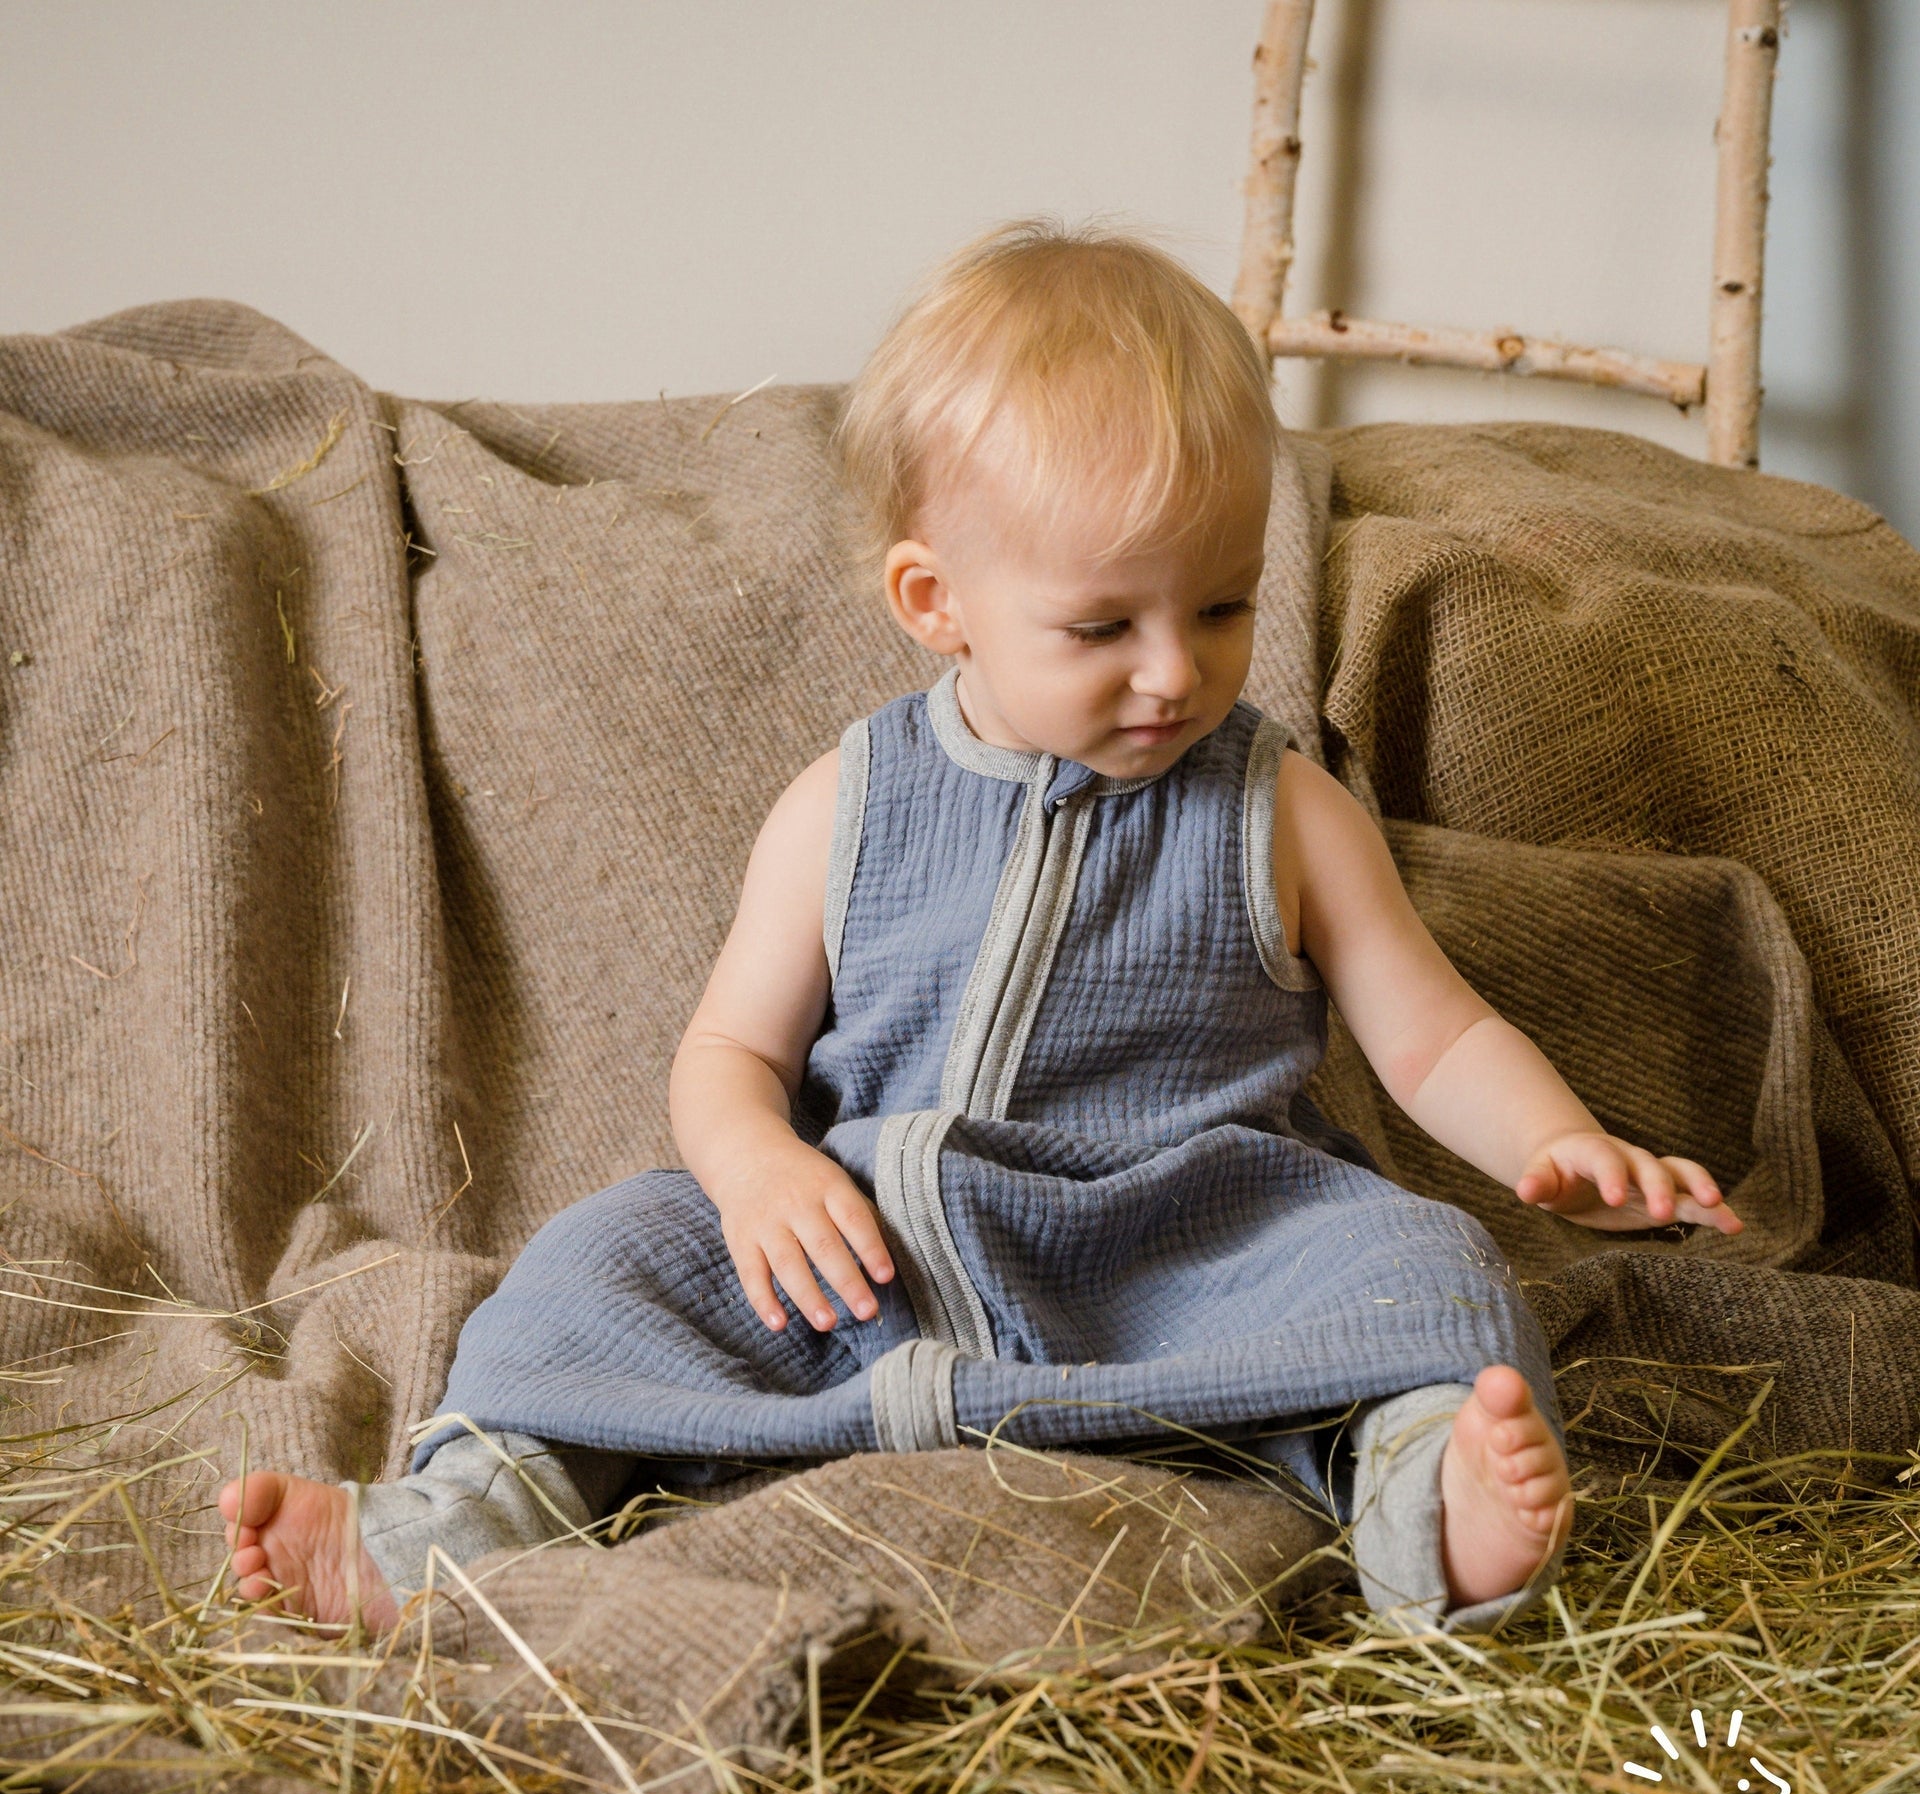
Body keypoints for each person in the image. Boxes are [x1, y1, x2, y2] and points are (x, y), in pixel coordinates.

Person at [221, 221, 1742, 1636]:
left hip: (1196, 1246)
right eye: (1103, 628)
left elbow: (1438, 1032)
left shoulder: (1283, 809)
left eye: (1222, 608)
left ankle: (1437, 1509)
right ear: (934, 598)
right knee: (590, 1265)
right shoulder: (846, 803)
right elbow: (729, 1050)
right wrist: (757, 1172)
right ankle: (448, 1528)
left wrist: (1562, 1143)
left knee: (1432, 1272)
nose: (1175, 675)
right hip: (876, 1244)